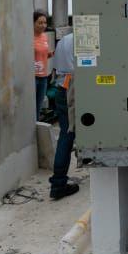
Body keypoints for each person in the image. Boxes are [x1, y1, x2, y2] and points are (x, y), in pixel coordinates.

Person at [48, 18, 80, 200]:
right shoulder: (84, 40)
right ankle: (58, 183)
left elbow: (55, 67)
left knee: (65, 134)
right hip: (74, 89)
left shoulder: (64, 41)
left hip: (62, 88)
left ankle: (58, 181)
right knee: (68, 136)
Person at [33, 10, 51, 121]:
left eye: (45, 23)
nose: (43, 25)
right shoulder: (28, 37)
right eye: (40, 23)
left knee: (38, 106)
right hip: (32, 77)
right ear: (33, 23)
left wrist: (51, 54)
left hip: (43, 76)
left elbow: (43, 53)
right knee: (29, 106)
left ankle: (35, 129)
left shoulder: (44, 37)